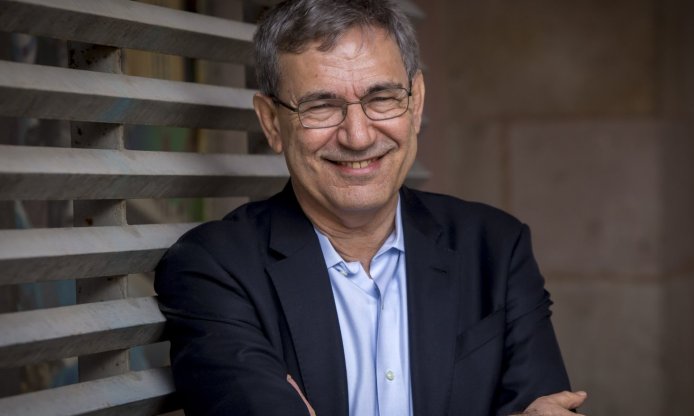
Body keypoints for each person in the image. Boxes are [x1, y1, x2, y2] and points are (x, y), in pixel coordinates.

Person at [155, 0, 587, 414]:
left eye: (381, 98)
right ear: (272, 123)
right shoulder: (215, 268)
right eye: (321, 105)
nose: (358, 136)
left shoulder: (496, 247)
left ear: (416, 102)